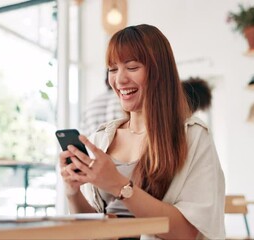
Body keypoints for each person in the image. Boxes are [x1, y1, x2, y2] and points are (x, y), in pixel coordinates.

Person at [59, 24, 225, 239]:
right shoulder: (101, 139)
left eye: (132, 67)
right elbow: (95, 229)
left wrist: (119, 185)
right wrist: (73, 193)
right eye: (113, 69)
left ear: (159, 72)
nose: (119, 80)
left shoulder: (192, 137)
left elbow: (187, 232)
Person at [80, 70, 125, 136]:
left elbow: (84, 136)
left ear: (105, 81)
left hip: (93, 145)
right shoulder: (125, 101)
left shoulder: (90, 105)